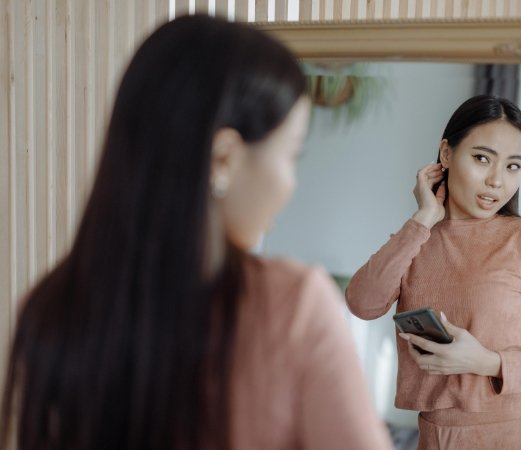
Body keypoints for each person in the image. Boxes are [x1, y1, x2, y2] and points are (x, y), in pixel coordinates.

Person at [0, 15, 394, 450]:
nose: (291, 184)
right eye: (291, 155)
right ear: (224, 158)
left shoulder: (46, 312)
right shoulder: (293, 307)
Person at [346, 94, 521, 450]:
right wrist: (423, 218)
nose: (496, 181)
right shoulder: (417, 239)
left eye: (513, 166)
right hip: (439, 437)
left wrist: (487, 362)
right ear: (446, 154)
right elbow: (362, 303)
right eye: (482, 158)